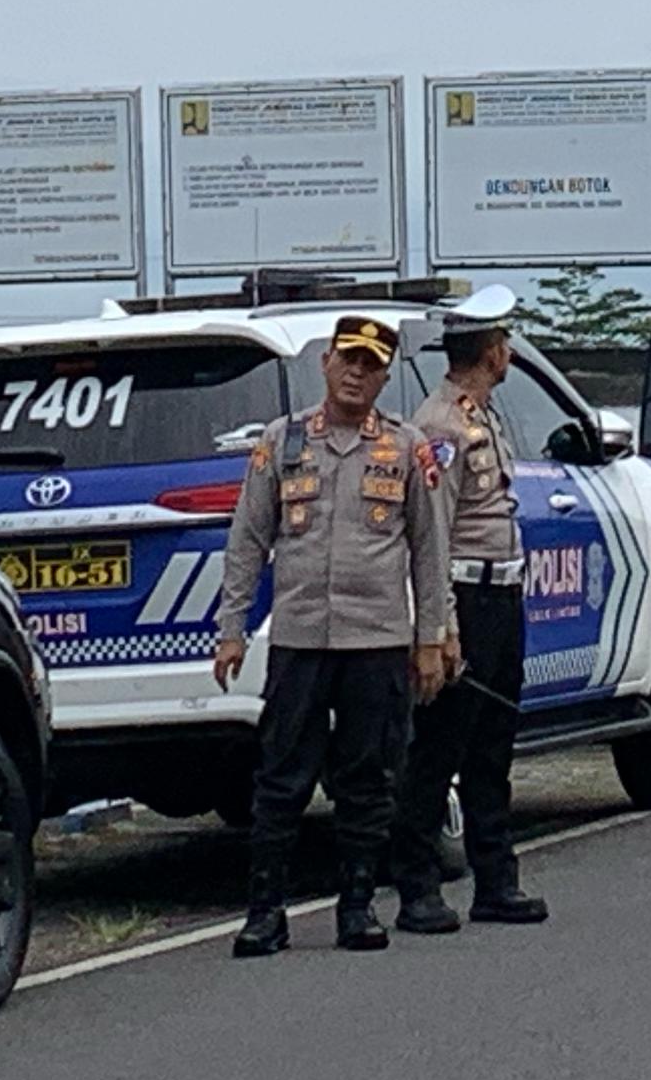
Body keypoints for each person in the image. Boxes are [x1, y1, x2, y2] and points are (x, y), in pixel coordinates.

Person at [214, 312, 457, 954]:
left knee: (368, 779)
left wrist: (431, 637)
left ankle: (357, 908)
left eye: (371, 365)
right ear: (325, 363)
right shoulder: (282, 441)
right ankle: (265, 913)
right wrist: (231, 628)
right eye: (348, 359)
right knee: (280, 778)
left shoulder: (406, 448)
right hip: (298, 640)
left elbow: (430, 553)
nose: (357, 373)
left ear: (385, 377)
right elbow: (247, 540)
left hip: (375, 642)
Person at [388, 289, 549, 934]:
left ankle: (495, 881)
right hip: (465, 597)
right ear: (492, 351)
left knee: (493, 746)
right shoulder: (442, 427)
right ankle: (418, 887)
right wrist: (440, 627)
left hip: (503, 592)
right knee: (439, 750)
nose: (507, 351)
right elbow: (432, 533)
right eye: (504, 341)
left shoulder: (484, 415)